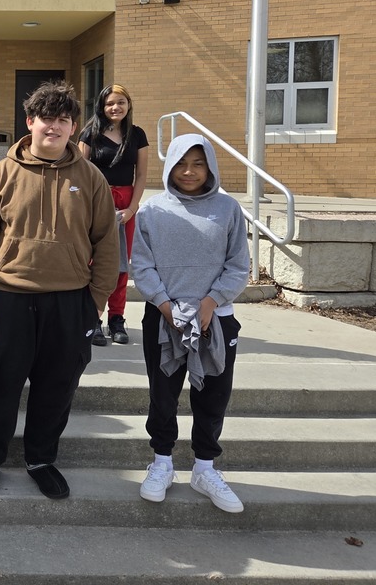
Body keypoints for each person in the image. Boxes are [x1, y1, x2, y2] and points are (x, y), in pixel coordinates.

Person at [0, 81, 119, 501]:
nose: (53, 127)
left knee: (57, 386)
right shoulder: (1, 173)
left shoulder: (91, 178)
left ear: (73, 128)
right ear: (30, 122)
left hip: (70, 301)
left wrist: (95, 303)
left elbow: (107, 244)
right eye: (46, 119)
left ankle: (41, 459)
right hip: (9, 297)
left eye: (63, 120)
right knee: (0, 382)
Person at [132, 133, 249, 514]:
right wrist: (165, 306)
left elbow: (238, 266)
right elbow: (141, 264)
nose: (189, 171)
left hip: (216, 320)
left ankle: (204, 467)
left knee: (213, 395)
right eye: (182, 163)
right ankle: (162, 462)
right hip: (164, 318)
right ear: (170, 166)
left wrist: (211, 302)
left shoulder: (228, 209)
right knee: (162, 394)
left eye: (198, 164)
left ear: (210, 167)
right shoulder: (153, 211)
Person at [78, 84, 150, 346]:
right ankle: (92, 319)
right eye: (110, 103)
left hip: (126, 205)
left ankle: (116, 318)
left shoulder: (137, 135)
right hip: (96, 202)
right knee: (92, 262)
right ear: (101, 106)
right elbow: (80, 174)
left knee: (120, 265)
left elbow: (141, 175)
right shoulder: (90, 134)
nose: (115, 107)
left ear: (128, 105)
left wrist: (132, 208)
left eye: (120, 102)